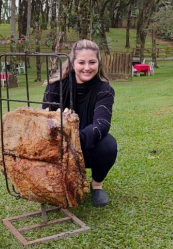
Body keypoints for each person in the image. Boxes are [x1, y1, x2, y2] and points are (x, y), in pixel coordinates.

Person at [42, 39, 118, 207]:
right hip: (59, 145)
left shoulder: (104, 90)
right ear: (72, 63)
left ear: (98, 63)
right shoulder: (55, 87)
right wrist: (59, 122)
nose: (87, 67)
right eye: (81, 62)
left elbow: (102, 124)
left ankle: (97, 185)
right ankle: (58, 181)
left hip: (87, 145)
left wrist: (75, 139)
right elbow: (44, 120)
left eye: (92, 62)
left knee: (108, 145)